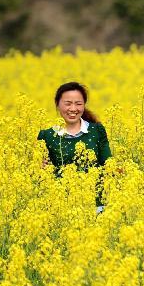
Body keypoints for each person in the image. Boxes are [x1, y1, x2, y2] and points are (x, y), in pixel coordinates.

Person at [38, 81, 112, 213]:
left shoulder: (97, 131)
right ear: (57, 105)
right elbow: (40, 175)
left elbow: (108, 164)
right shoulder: (46, 136)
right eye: (68, 104)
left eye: (78, 104)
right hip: (61, 208)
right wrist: (39, 168)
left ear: (84, 105)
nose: (73, 109)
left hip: (96, 205)